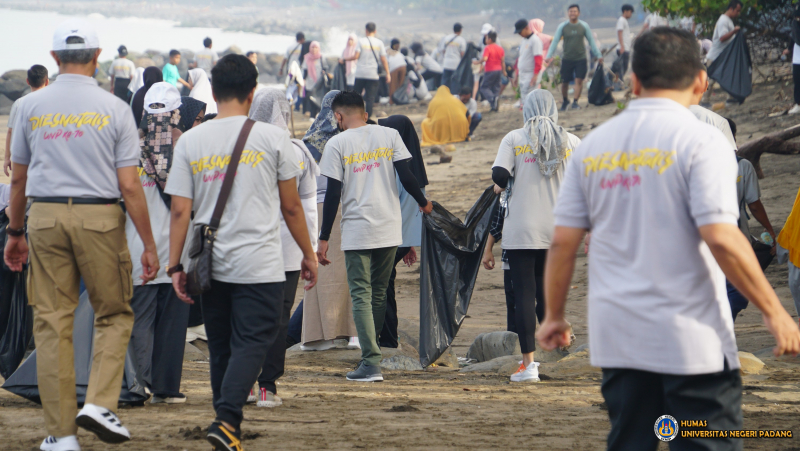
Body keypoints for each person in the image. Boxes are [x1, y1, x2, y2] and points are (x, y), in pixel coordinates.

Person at [538, 27, 800, 450]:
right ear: (700, 83)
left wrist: (553, 316)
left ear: (634, 83)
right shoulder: (704, 142)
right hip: (692, 337)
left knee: (632, 440)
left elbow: (563, 244)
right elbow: (721, 235)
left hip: (619, 338)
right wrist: (774, 312)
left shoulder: (593, 147)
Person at [5, 19, 160, 450]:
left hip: (45, 216)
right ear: (96, 57)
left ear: (54, 59)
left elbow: (17, 181)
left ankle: (60, 435)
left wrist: (14, 232)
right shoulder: (114, 107)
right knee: (114, 313)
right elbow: (130, 185)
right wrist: (148, 244)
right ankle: (99, 401)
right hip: (100, 218)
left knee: (52, 325)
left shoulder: (28, 107)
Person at [166, 54, 318, 451]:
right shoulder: (274, 140)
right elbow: (291, 207)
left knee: (221, 345)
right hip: (261, 263)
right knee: (255, 339)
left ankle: (226, 426)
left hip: (209, 262)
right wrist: (309, 253)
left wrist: (174, 264)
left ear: (213, 93)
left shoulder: (191, 140)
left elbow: (181, 209)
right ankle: (227, 419)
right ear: (252, 93)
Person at [317, 91, 431, 382]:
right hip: (389, 227)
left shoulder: (336, 143)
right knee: (379, 292)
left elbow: (333, 194)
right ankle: (374, 353)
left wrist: (324, 236)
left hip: (358, 229)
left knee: (361, 295)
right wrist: (423, 202)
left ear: (338, 117)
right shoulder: (390, 134)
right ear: (365, 114)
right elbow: (406, 175)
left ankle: (370, 363)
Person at [490, 89, 580, 382]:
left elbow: (500, 177)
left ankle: (528, 366)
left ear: (526, 110)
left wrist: (506, 182)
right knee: (549, 292)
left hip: (523, 230)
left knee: (526, 296)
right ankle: (561, 337)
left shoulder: (514, 138)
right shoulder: (573, 142)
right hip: (559, 232)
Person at [127, 85, 205, 406]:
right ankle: (166, 388)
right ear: (177, 114)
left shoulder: (128, 148)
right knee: (172, 326)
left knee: (139, 323)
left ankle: (136, 385)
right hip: (178, 253)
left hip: (138, 252)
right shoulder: (189, 150)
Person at [247, 88, 319, 408]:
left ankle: (245, 382)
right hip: (289, 250)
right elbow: (307, 208)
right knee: (278, 317)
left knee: (247, 316)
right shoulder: (297, 151)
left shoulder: (242, 149)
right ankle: (268, 388)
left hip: (249, 245)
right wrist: (312, 250)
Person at [292, 90, 359, 350]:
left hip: (312, 209)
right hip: (337, 208)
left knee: (321, 276)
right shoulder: (346, 140)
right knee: (341, 273)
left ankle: (317, 336)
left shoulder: (309, 139)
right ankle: (341, 334)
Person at [376, 115, 428, 348]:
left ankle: (387, 338)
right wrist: (409, 244)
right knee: (386, 284)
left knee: (382, 285)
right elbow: (413, 210)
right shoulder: (414, 166)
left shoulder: (397, 168)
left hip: (390, 237)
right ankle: (388, 336)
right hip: (401, 238)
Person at [545, 4, 603, 111]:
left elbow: (591, 42)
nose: (573, 13)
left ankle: (575, 102)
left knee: (579, 80)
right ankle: (565, 100)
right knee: (565, 82)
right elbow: (555, 41)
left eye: (575, 11)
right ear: (568, 13)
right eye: (571, 11)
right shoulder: (562, 26)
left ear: (579, 13)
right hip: (567, 58)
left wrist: (598, 55)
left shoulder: (584, 26)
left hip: (581, 58)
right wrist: (549, 55)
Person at [4, 64, 49, 176]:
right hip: (47, 156)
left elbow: (10, 131)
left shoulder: (19, 103)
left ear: (28, 81)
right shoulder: (53, 103)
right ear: (47, 82)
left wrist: (7, 158)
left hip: (22, 157)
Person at [342, 22, 390, 119]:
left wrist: (345, 59)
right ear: (375, 31)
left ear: (366, 31)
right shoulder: (379, 43)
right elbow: (383, 60)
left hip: (360, 74)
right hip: (373, 75)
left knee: (356, 96)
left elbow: (356, 56)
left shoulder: (361, 41)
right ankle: (367, 118)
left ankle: (355, 116)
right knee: (370, 98)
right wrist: (388, 73)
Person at [482, 198, 515, 332]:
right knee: (542, 300)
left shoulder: (509, 190)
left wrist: (488, 249)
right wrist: (488, 249)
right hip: (544, 254)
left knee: (516, 303)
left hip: (513, 253)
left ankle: (517, 344)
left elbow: (497, 223)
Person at [702, 0, 743, 105]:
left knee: (729, 75)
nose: (738, 13)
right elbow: (722, 38)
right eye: (737, 11)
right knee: (711, 80)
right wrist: (734, 31)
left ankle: (731, 98)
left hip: (723, 56)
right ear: (731, 8)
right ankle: (704, 101)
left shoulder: (728, 20)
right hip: (715, 57)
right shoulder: (723, 21)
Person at [513, 19, 544, 101]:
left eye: (520, 32)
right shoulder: (523, 40)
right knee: (524, 97)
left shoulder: (535, 40)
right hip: (523, 74)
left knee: (530, 97)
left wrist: (535, 75)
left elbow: (538, 59)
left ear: (526, 28)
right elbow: (521, 58)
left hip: (531, 74)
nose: (519, 34)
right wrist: (516, 75)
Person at [478, 31, 505, 112]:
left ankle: (492, 99)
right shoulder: (500, 48)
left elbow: (485, 58)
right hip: (499, 69)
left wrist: (478, 62)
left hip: (490, 70)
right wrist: (504, 71)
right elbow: (502, 61)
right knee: (496, 87)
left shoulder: (488, 48)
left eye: (486, 38)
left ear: (489, 39)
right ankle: (494, 106)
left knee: (484, 87)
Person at [302, 41, 327, 118]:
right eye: (312, 47)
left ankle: (318, 114)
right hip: (309, 82)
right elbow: (304, 70)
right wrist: (303, 80)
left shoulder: (321, 57)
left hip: (319, 83)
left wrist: (324, 73)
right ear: (310, 48)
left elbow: (325, 68)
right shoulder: (306, 57)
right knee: (311, 99)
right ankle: (312, 115)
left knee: (319, 99)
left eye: (316, 47)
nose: (314, 49)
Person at [438, 23, 467, 90]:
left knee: (445, 81)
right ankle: (454, 95)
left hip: (446, 63)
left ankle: (443, 95)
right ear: (461, 30)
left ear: (453, 29)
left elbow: (443, 50)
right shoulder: (461, 40)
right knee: (455, 81)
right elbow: (462, 54)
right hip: (456, 64)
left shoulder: (446, 38)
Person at [615, 5, 634, 80]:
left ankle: (619, 82)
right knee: (622, 68)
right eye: (630, 12)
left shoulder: (624, 21)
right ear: (625, 11)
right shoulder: (621, 20)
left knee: (624, 67)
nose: (631, 14)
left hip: (626, 47)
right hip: (623, 48)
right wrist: (622, 46)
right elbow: (620, 32)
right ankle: (619, 82)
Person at [787, 6, 800, 114]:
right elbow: (794, 36)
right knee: (797, 79)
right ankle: (798, 103)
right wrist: (788, 48)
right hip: (797, 55)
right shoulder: (795, 23)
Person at [387, 38, 407, 103]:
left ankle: (392, 101)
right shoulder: (397, 53)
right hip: (403, 66)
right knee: (400, 84)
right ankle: (399, 99)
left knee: (393, 85)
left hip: (394, 68)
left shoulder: (387, 51)